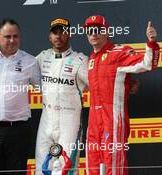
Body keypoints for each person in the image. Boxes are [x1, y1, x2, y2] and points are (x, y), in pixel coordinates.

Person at [83, 15, 160, 175]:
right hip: (94, 121)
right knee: (92, 165)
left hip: (113, 121)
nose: (93, 34)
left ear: (107, 31)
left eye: (98, 30)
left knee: (113, 166)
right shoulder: (90, 59)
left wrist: (151, 42)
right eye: (90, 30)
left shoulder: (119, 52)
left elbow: (147, 63)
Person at [0, 19, 41, 175]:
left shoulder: (30, 61)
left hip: (18, 130)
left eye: (15, 36)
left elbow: (43, 89)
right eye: (7, 36)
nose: (12, 40)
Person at [35, 18, 88, 175]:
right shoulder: (41, 57)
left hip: (69, 119)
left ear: (70, 35)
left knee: (66, 168)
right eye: (55, 32)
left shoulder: (81, 60)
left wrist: (126, 84)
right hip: (46, 118)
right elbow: (19, 67)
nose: (58, 36)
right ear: (50, 36)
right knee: (42, 166)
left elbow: (99, 84)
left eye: (63, 32)